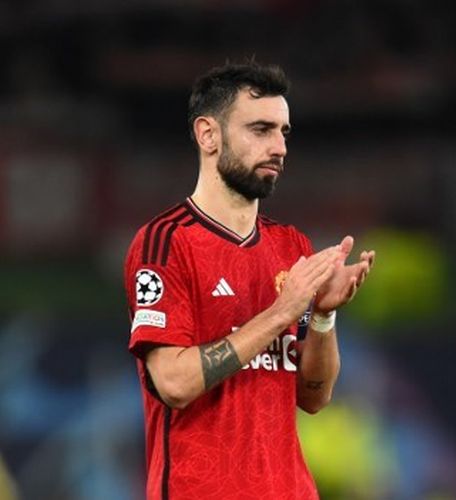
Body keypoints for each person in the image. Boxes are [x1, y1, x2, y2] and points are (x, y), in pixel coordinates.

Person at [124, 61, 375, 500]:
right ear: (208, 135)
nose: (279, 147)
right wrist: (281, 313)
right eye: (260, 129)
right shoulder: (165, 243)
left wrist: (322, 316)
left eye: (284, 132)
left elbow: (313, 398)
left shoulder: (290, 246)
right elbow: (174, 384)